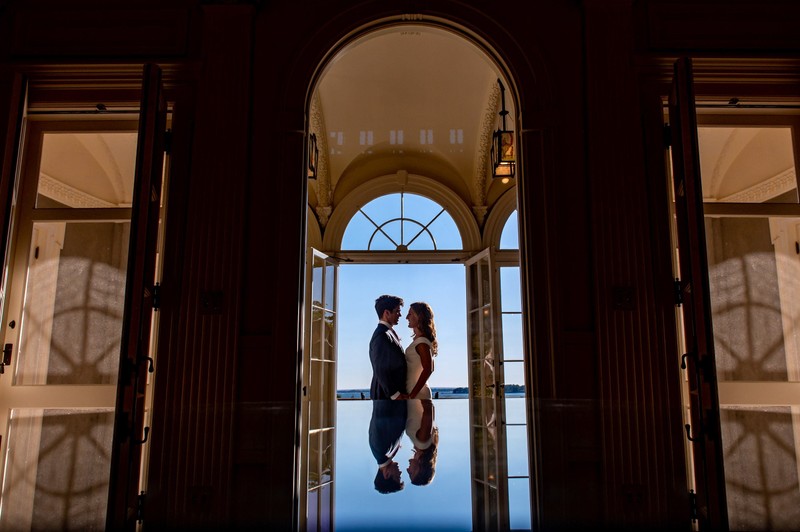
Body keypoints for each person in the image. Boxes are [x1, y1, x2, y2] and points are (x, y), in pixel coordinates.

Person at [369, 295, 407, 400]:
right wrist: (395, 394)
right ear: (387, 313)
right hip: (386, 398)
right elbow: (380, 368)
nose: (400, 315)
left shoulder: (387, 333)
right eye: (397, 311)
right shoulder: (382, 335)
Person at [368, 399, 407, 494]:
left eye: (397, 476)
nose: (400, 473)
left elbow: (383, 409)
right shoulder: (381, 452)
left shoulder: (381, 448)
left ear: (387, 474)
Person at [404, 302, 438, 400]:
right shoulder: (419, 341)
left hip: (418, 394)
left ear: (419, 317)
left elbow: (429, 369)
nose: (407, 317)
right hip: (413, 392)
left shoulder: (422, 343)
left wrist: (412, 395)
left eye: (410, 314)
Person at [405, 398, 438, 486]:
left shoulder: (423, 444)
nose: (407, 470)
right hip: (415, 390)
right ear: (420, 470)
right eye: (411, 473)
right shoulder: (422, 442)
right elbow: (428, 406)